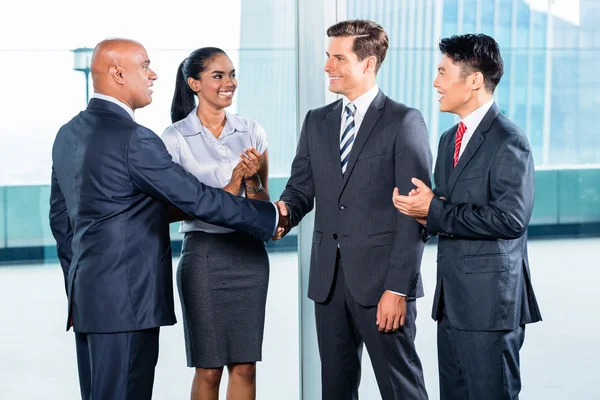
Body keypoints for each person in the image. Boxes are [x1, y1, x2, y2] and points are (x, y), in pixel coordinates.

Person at [48, 38, 285, 400]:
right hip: (128, 302)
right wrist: (269, 216)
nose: (153, 74)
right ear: (118, 73)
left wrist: (81, 284)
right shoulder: (135, 139)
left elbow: (60, 222)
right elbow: (197, 198)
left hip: (90, 301)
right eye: (145, 66)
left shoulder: (67, 135)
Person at [275, 20, 431, 400]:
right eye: (328, 56)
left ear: (368, 63)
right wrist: (280, 214)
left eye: (338, 58)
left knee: (400, 388)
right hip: (328, 283)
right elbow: (300, 189)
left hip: (382, 286)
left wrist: (398, 287)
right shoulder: (316, 121)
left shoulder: (403, 121)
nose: (328, 66)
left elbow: (414, 215)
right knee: (336, 389)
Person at [393, 33, 542, 400]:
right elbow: (443, 208)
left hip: (490, 306)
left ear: (474, 80)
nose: (435, 82)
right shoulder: (448, 139)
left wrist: (434, 210)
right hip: (453, 305)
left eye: (443, 72)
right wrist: (420, 213)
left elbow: (510, 219)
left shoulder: (509, 140)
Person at [161, 47, 270, 400]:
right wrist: (231, 186)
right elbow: (171, 208)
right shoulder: (175, 138)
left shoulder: (251, 131)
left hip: (249, 256)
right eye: (218, 76)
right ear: (194, 83)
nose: (230, 83)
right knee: (208, 368)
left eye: (232, 74)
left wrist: (252, 182)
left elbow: (262, 207)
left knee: (245, 366)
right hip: (205, 257)